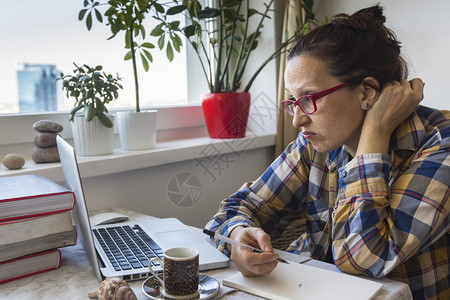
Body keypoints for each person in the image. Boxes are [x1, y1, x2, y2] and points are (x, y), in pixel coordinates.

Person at [204, 5, 449, 300]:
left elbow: (362, 258)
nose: (297, 120)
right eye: (293, 102)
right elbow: (233, 210)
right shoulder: (315, 143)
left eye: (308, 99)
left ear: (367, 92)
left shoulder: (439, 144)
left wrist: (374, 136)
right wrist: (237, 239)